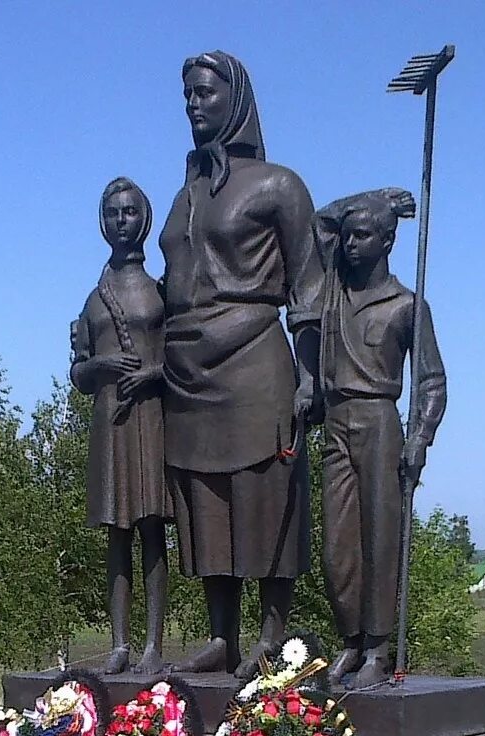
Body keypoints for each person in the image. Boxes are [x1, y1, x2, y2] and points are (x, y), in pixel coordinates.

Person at [157, 50, 324, 677]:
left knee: (263, 496)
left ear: (237, 100)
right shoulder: (185, 194)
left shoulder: (280, 184)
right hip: (187, 371)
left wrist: (309, 375)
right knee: (205, 502)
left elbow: (309, 288)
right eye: (189, 96)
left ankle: (273, 635)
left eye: (206, 93)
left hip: (254, 357)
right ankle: (222, 635)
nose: (195, 105)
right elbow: (169, 277)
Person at [312, 188, 447, 688]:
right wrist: (372, 196)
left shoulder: (408, 306)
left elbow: (432, 380)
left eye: (363, 234)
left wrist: (421, 437)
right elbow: (318, 224)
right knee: (337, 547)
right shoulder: (333, 292)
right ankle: (349, 639)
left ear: (388, 240)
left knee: (381, 540)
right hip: (336, 422)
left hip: (380, 422)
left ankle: (376, 647)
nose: (349, 243)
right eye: (348, 235)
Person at [69, 177, 172, 674]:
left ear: (145, 220)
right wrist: (102, 367)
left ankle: (153, 645)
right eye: (112, 213)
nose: (121, 222)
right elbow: (79, 372)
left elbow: (183, 358)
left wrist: (153, 373)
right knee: (117, 533)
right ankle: (119, 644)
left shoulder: (162, 292)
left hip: (151, 418)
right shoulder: (94, 300)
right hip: (111, 422)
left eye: (130, 212)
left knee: (153, 529)